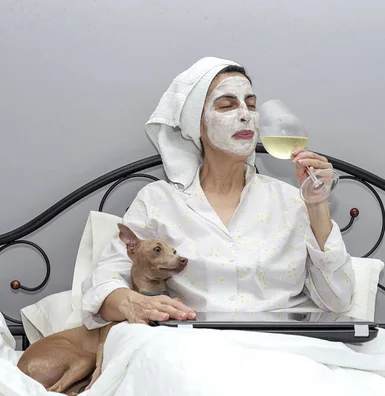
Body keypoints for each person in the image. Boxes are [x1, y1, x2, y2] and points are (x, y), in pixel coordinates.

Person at [81, 57, 354, 329]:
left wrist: (318, 206)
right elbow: (104, 285)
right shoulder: (158, 201)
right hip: (190, 347)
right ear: (195, 124)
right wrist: (134, 303)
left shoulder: (292, 202)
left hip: (282, 346)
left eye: (251, 104)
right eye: (226, 105)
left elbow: (338, 300)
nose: (245, 115)